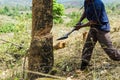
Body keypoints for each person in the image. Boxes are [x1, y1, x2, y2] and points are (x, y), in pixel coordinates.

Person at [75, 0, 120, 71]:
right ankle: (83, 67)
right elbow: (85, 11)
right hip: (93, 27)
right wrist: (79, 21)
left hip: (102, 29)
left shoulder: (97, 4)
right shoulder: (87, 1)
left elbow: (94, 21)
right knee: (87, 47)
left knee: (111, 53)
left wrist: (80, 26)